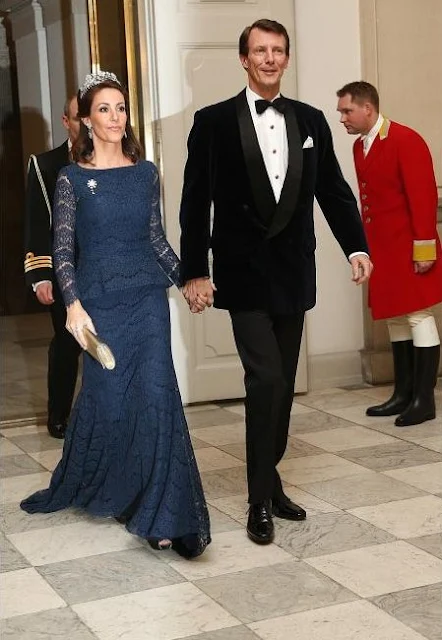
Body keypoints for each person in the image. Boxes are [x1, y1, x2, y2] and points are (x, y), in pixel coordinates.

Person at [179, 19, 372, 546]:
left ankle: (271, 476)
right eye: (259, 51)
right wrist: (194, 269)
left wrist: (356, 246)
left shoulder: (310, 120)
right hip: (241, 277)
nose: (269, 59)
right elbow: (196, 200)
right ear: (243, 59)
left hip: (292, 274)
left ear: (286, 59)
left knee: (282, 386)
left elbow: (332, 190)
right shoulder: (213, 122)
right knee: (264, 380)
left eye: (277, 51)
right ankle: (259, 500)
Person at [21, 71, 211, 559]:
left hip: (147, 301)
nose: (114, 117)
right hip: (99, 303)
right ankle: (116, 487)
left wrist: (186, 279)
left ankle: (165, 513)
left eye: (120, 107)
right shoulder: (71, 179)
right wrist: (74, 305)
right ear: (85, 118)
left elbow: (155, 240)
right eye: (103, 109)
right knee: (110, 401)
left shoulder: (144, 173)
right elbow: (63, 252)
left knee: (155, 397)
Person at [337, 81, 441, 427]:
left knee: (418, 316)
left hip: (411, 246)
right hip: (383, 248)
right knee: (396, 318)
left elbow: (423, 197)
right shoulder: (358, 146)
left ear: (368, 108)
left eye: (346, 110)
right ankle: (403, 394)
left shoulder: (406, 140)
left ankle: (424, 401)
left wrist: (424, 248)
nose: (342, 118)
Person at [24, 96, 82, 439]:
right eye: (78, 117)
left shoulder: (113, 158)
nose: (85, 123)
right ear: (65, 121)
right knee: (67, 341)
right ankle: (59, 414)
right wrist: (40, 275)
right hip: (64, 270)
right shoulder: (44, 164)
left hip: (104, 267)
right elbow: (36, 222)